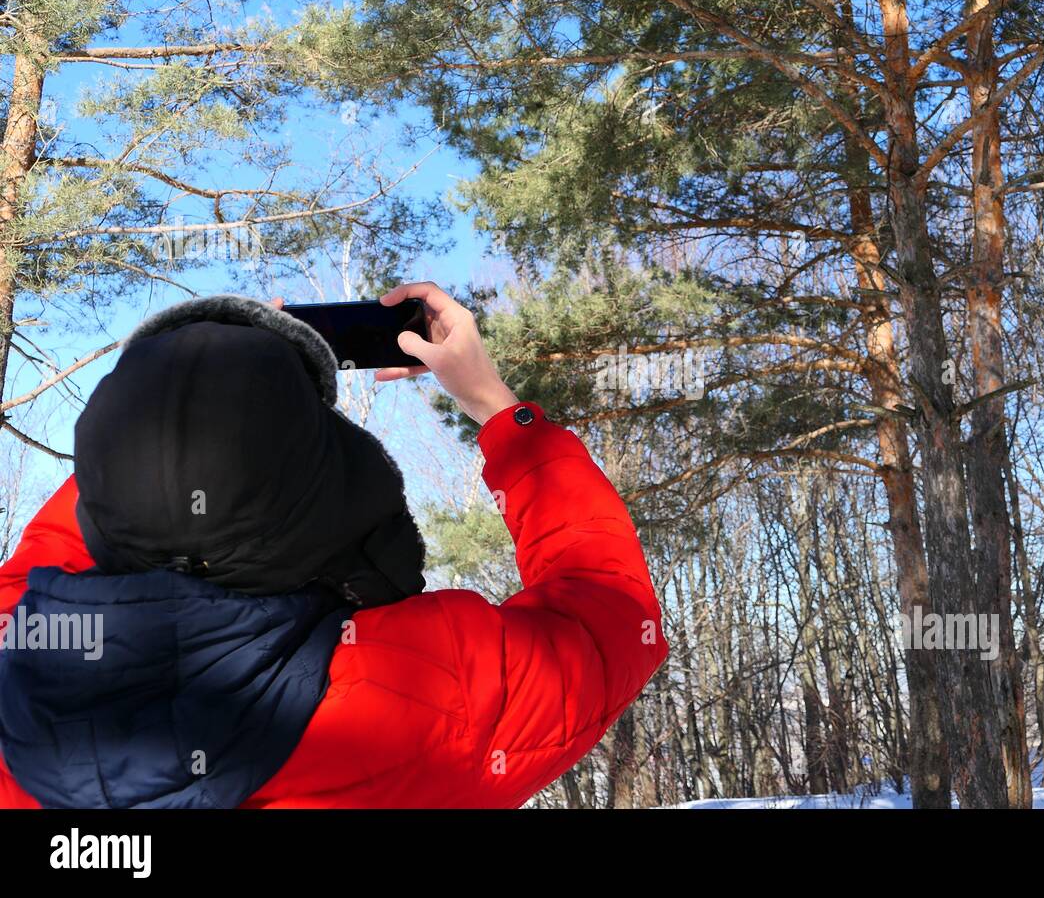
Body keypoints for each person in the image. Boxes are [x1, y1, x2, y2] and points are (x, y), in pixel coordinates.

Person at [0, 282, 668, 808]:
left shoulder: (20, 653)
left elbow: (93, 523)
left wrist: (180, 395)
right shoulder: (431, 693)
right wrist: (495, 406)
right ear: (338, 487)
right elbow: (607, 611)